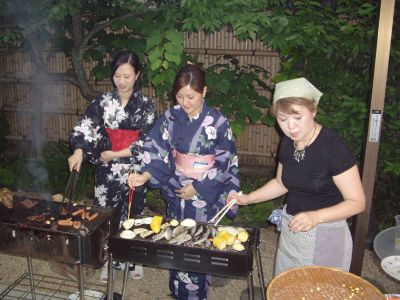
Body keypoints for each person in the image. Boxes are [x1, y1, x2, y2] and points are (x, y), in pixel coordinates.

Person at [228, 77, 366, 276]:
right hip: (293, 230)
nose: (290, 127)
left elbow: (357, 203)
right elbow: (281, 183)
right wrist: (248, 199)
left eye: (297, 118)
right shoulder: (287, 143)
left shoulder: (333, 148)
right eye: (283, 120)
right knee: (287, 287)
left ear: (313, 111)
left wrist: (316, 216)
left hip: (326, 234)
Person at [128, 63, 240, 299]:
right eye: (180, 96)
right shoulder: (170, 117)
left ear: (204, 92)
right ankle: (178, 291)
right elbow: (156, 149)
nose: (185, 102)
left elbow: (225, 162)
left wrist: (197, 187)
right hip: (177, 189)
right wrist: (145, 175)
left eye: (191, 96)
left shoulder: (218, 123)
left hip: (203, 194)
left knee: (198, 243)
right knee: (175, 241)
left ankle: (197, 294)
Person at [68, 50, 156, 282]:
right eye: (117, 75)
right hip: (107, 171)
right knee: (105, 215)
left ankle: (133, 258)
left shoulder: (146, 105)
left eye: (127, 76)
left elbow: (149, 140)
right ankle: (107, 259)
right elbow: (86, 127)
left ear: (137, 75)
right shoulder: (102, 102)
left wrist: (116, 153)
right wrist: (78, 151)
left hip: (134, 170)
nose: (121, 81)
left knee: (133, 213)